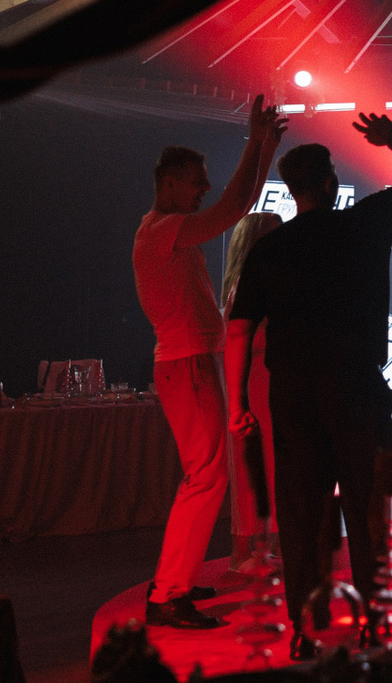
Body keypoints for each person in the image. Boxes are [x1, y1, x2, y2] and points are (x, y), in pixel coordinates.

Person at [226, 113, 392, 661]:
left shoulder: (270, 249)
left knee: (300, 514)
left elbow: (239, 329)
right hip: (355, 386)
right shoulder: (361, 225)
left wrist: (238, 402)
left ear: (294, 190)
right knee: (368, 509)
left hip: (293, 394)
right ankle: (375, 623)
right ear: (329, 182)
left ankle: (304, 628)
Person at [131, 98, 286, 630]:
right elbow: (234, 208)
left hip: (189, 363)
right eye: (197, 182)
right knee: (205, 480)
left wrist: (263, 151)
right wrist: (255, 145)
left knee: (205, 479)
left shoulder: (163, 229)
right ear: (170, 183)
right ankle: (168, 593)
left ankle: (174, 580)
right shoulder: (161, 229)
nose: (204, 188)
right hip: (186, 364)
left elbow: (236, 205)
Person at [223, 211, 283, 573]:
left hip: (269, 378)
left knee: (272, 464)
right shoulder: (246, 282)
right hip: (255, 379)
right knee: (251, 465)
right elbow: (242, 337)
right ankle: (241, 551)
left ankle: (266, 544)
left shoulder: (266, 278)